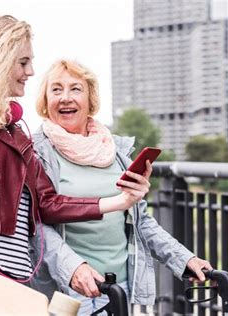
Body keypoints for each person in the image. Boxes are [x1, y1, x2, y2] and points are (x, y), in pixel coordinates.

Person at [0, 16, 153, 315]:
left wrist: (120, 201)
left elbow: (48, 204)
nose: (31, 71)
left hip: (10, 279)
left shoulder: (15, 131)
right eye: (23, 62)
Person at [29, 59, 212, 314]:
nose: (65, 98)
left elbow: (140, 221)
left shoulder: (114, 151)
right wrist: (73, 268)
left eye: (75, 89)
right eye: (56, 90)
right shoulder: (37, 152)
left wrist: (184, 259)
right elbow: (35, 225)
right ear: (45, 100)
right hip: (68, 288)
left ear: (90, 98)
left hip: (120, 287)